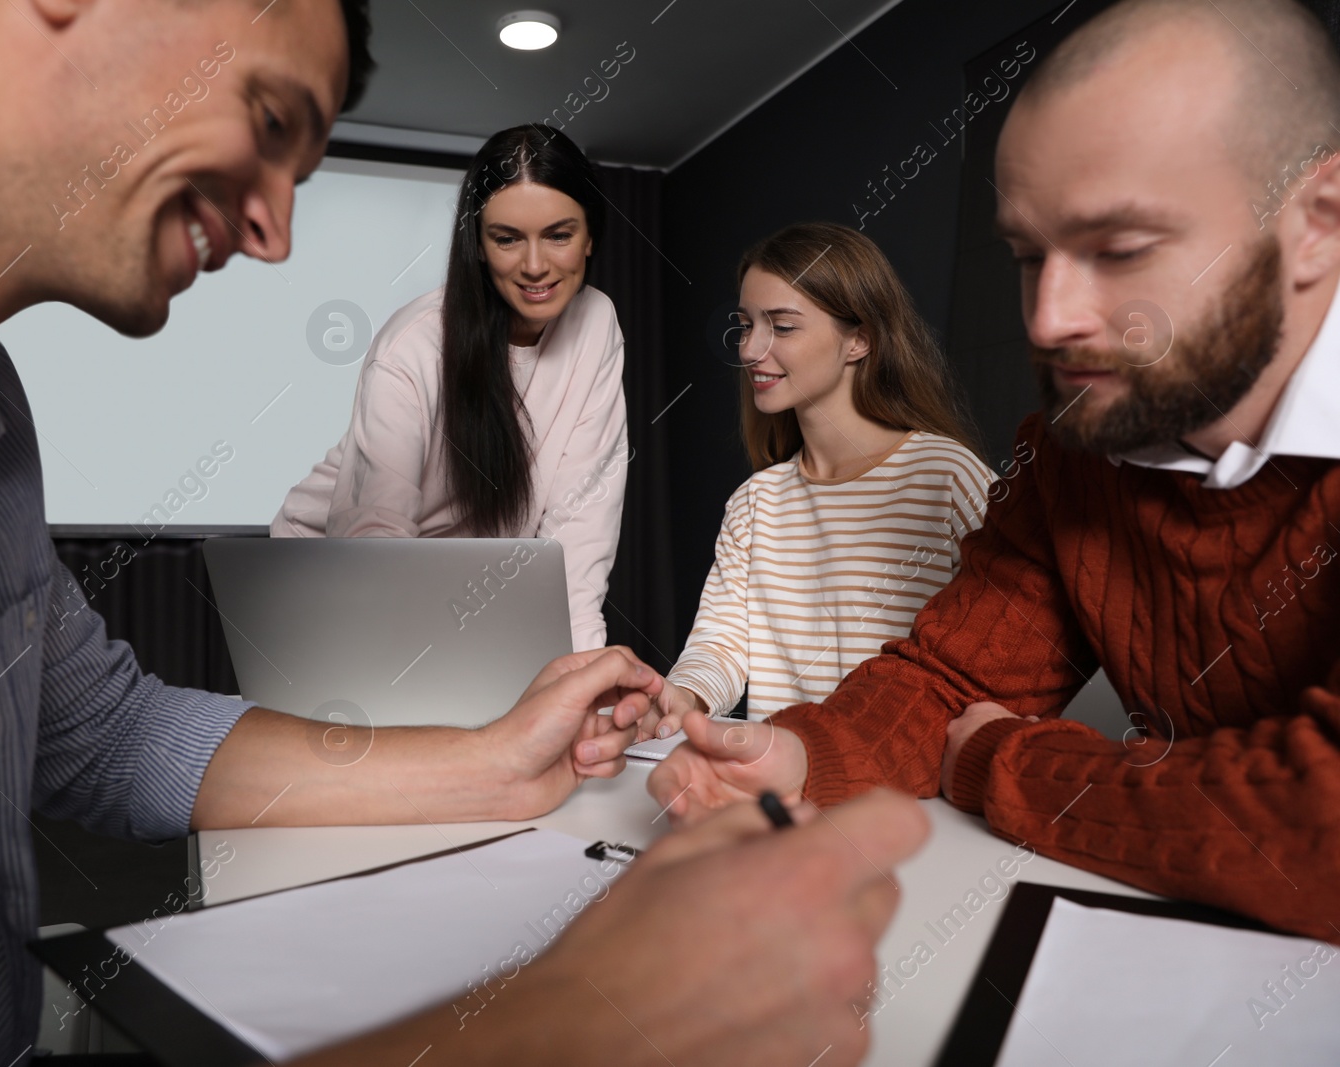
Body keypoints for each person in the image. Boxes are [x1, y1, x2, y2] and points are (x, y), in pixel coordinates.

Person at [0, 0, 923, 1064]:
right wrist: (582, 1017)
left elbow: (97, 731)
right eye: (266, 114)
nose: (274, 236)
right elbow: (368, 535)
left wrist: (497, 758)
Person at [649, 0, 1340, 942]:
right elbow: (946, 676)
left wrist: (1003, 764)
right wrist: (794, 751)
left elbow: (1320, 823)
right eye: (1026, 255)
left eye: (1120, 248)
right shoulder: (1071, 448)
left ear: (1318, 222)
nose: (1049, 319)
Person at [272, 126, 628, 652]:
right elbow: (373, 543)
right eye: (507, 238)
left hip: (463, 595)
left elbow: (579, 534)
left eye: (559, 235)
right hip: (335, 574)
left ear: (590, 235)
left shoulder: (596, 323)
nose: (535, 265)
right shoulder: (411, 348)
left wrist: (583, 677)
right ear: (479, 245)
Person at [645, 223, 992, 737]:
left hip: (912, 796)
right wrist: (682, 697)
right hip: (788, 783)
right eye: (746, 325)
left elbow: (1003, 646)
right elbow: (720, 646)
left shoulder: (947, 477)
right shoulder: (755, 503)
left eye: (782, 327)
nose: (748, 350)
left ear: (859, 340)